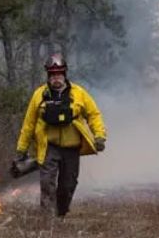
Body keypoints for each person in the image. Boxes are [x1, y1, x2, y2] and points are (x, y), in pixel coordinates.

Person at [15, 54, 107, 218]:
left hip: (72, 148)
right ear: (48, 76)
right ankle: (48, 219)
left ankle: (61, 213)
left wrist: (99, 136)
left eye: (59, 74)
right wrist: (21, 149)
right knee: (47, 183)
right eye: (52, 75)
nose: (56, 78)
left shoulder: (78, 94)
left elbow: (94, 114)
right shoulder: (39, 95)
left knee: (68, 185)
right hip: (49, 147)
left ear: (64, 74)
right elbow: (28, 124)